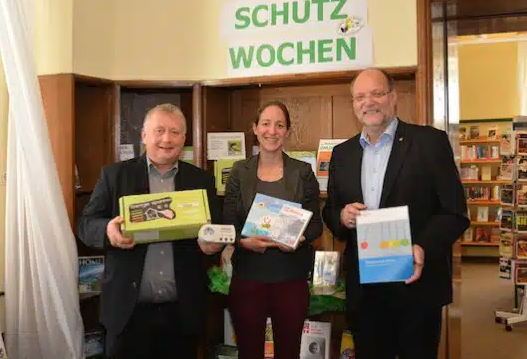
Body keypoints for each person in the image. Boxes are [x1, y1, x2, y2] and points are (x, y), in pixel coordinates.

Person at [322, 68, 470, 359]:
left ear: (393, 98)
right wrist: (342, 216)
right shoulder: (342, 154)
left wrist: (422, 246)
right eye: (360, 97)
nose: (369, 102)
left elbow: (455, 212)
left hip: (416, 285)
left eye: (376, 93)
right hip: (365, 292)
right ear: (354, 104)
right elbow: (330, 210)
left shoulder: (429, 142)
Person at [78, 103, 223, 359]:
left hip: (182, 314)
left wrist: (214, 243)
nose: (166, 139)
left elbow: (214, 228)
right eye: (159, 130)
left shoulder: (201, 181)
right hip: (127, 313)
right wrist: (108, 231)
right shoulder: (115, 175)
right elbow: (86, 224)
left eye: (175, 132)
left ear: (184, 139)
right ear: (144, 136)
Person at [223, 101, 323, 359]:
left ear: (287, 130)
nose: (272, 130)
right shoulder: (238, 172)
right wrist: (243, 242)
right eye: (266, 123)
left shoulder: (302, 172)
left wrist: (299, 239)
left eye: (280, 125)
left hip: (290, 278)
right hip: (248, 278)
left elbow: (315, 226)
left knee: (288, 353)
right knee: (249, 352)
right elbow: (228, 223)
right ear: (255, 128)